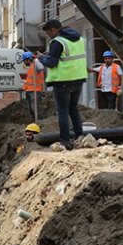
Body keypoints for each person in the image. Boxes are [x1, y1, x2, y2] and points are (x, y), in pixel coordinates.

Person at [38, 19, 88, 150]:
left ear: (53, 29)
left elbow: (52, 63)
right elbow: (67, 55)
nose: (49, 36)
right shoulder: (79, 39)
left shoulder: (57, 41)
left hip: (63, 81)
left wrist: (42, 58)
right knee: (73, 109)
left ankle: (65, 140)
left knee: (63, 112)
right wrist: (50, 55)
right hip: (78, 79)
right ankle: (79, 135)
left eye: (49, 33)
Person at [21, 51, 44, 119]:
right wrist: (24, 87)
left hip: (35, 91)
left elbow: (41, 71)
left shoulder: (36, 64)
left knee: (35, 108)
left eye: (24, 61)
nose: (24, 63)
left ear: (28, 59)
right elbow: (29, 80)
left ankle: (40, 121)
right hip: (29, 90)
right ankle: (33, 122)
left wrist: (43, 88)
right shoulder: (31, 67)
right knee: (31, 109)